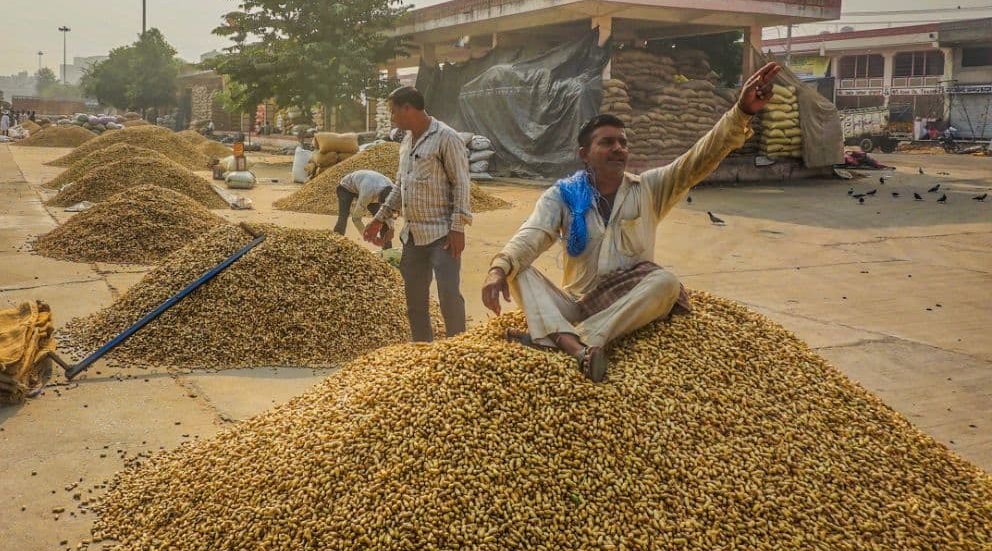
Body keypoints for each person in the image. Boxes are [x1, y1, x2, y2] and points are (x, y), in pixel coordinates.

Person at [481, 62, 781, 382]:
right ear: (584, 153)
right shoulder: (564, 195)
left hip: (627, 307)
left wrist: (741, 113)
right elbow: (533, 233)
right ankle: (570, 340)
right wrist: (498, 268)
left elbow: (698, 159)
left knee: (665, 283)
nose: (618, 149)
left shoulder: (649, 189)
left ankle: (571, 341)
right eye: (607, 143)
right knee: (519, 270)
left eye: (622, 142)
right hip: (575, 303)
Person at [364, 86, 471, 342]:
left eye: (393, 112)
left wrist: (458, 228)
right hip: (412, 235)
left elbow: (462, 184)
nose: (392, 118)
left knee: (448, 297)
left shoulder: (446, 137)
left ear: (407, 109)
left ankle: (458, 349)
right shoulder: (406, 142)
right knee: (415, 300)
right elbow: (401, 186)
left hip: (442, 234)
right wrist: (380, 218)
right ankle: (422, 351)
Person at [334, 169, 394, 245]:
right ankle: (335, 243)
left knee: (383, 219)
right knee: (343, 216)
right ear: (379, 199)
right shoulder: (367, 195)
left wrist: (392, 228)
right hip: (346, 188)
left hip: (366, 185)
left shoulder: (393, 190)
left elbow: (389, 213)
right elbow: (356, 218)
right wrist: (369, 236)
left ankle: (387, 251)